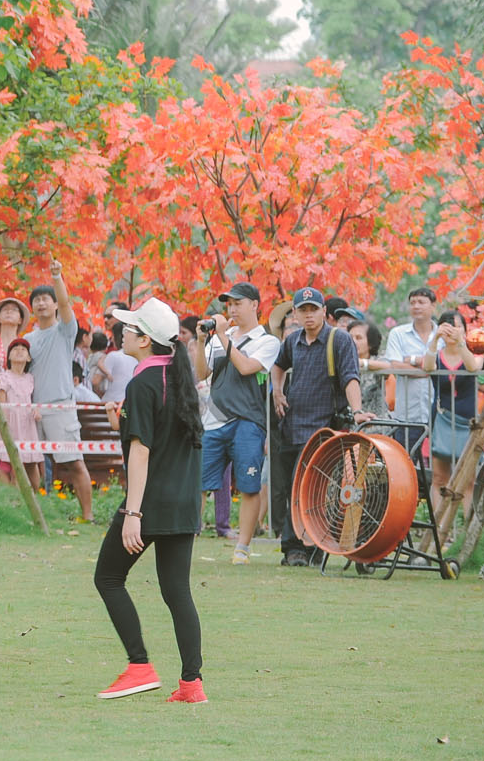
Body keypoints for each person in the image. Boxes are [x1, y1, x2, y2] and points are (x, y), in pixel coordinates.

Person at [95, 298, 205, 703]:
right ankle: (192, 684)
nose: (121, 331)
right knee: (178, 592)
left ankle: (139, 666)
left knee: (107, 578)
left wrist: (132, 513)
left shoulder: (142, 383)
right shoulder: (177, 380)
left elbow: (141, 452)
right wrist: (120, 423)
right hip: (183, 503)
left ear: (144, 340)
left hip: (149, 503)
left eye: (129, 328)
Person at [270, 288, 363, 567]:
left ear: (324, 311)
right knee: (293, 490)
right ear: (295, 314)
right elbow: (277, 366)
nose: (308, 315)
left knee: (311, 490)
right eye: (303, 310)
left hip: (322, 428)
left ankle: (297, 549)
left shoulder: (340, 339)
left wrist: (357, 411)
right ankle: (307, 548)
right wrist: (277, 390)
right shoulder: (292, 340)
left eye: (313, 309)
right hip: (291, 425)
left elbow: (350, 378)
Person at [200, 283, 279, 565]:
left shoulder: (267, 341)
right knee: (199, 482)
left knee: (249, 485)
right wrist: (201, 342)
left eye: (238, 303)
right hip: (214, 420)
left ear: (255, 305)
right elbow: (200, 372)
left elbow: (247, 368)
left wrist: (222, 337)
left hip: (248, 421)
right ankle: (186, 539)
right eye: (229, 304)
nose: (232, 309)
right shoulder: (221, 337)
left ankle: (242, 548)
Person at [27, 263, 95, 524]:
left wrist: (56, 276)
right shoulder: (29, 339)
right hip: (33, 410)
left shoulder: (65, 331)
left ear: (55, 304)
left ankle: (88, 516)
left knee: (75, 462)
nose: (41, 304)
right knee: (31, 463)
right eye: (36, 300)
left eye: (46, 299)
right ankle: (38, 515)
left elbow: (67, 306)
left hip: (61, 407)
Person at [425, 313, 484, 518]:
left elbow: (472, 367)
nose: (451, 330)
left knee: (468, 479)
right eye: (447, 326)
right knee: (440, 477)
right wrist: (434, 340)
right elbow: (427, 367)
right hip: (441, 419)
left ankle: (466, 529)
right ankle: (439, 529)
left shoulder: (475, 351)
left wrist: (461, 342)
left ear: (465, 330)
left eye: (456, 326)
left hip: (467, 421)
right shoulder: (436, 353)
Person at [377, 287, 440, 459]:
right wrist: (428, 370)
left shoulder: (441, 334)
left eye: (421, 302)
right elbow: (396, 365)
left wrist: (411, 360)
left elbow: (445, 364)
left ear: (433, 305)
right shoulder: (398, 333)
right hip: (407, 415)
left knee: (440, 465)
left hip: (439, 412)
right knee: (405, 462)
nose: (416, 306)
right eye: (413, 302)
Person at [0, 338, 38, 488]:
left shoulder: (30, 378)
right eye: (15, 348)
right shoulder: (4, 377)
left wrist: (36, 411)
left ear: (29, 358)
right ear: (8, 357)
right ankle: (7, 498)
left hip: (27, 426)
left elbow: (32, 400)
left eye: (23, 349)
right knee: (5, 465)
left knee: (27, 463)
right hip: (10, 423)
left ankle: (33, 496)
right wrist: (4, 423)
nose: (19, 350)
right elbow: (2, 400)